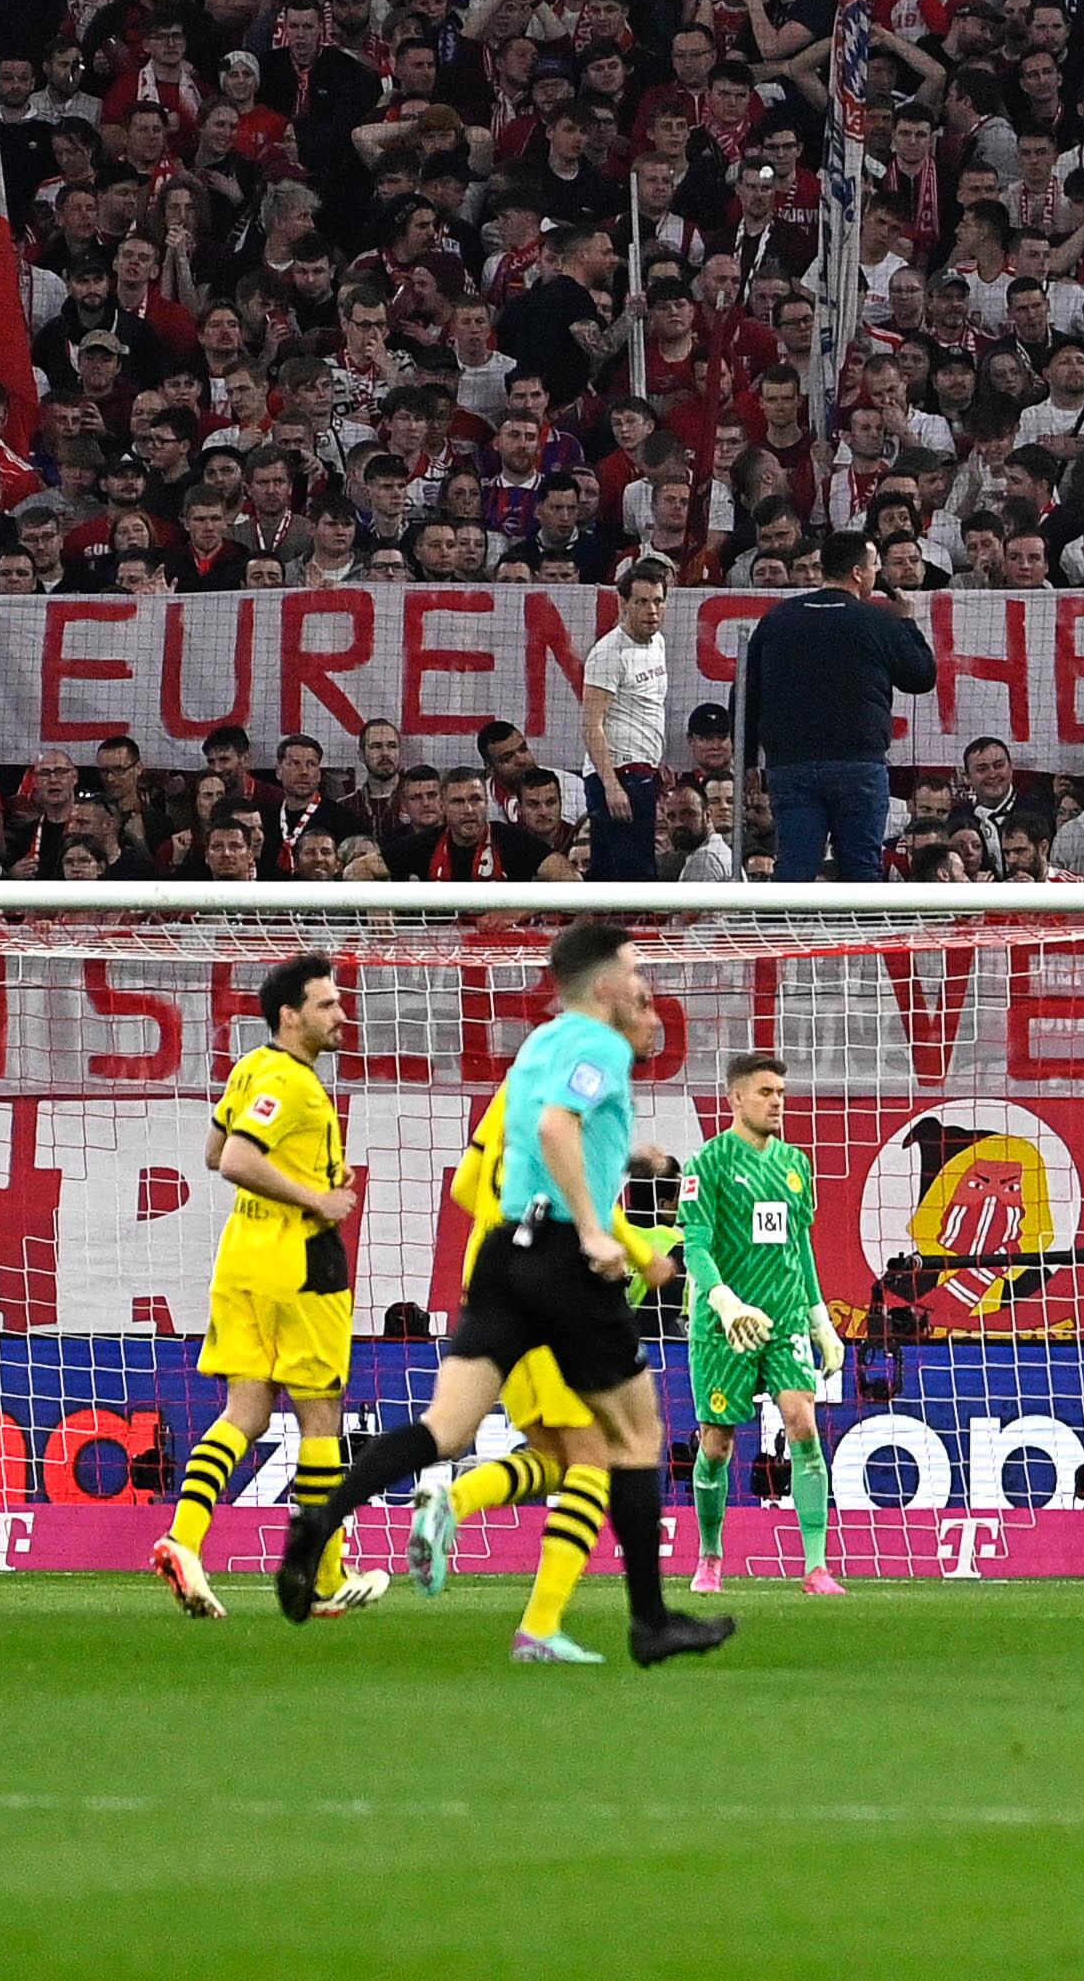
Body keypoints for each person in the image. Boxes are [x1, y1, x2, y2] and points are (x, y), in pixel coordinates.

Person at [276, 917, 732, 1662]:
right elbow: (557, 1128)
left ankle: (321, 1520)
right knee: (636, 1434)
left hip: (499, 1251)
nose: (644, 981)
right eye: (635, 968)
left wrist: (625, 1155)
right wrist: (595, 1230)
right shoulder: (598, 1044)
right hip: (560, 1254)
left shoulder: (542, 1044)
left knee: (446, 1431)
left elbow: (532, 1133)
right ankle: (650, 1621)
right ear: (607, 983)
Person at [404, 1034, 688, 1642]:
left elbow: (462, 1188)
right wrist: (643, 1254)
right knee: (599, 1460)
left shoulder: (513, 1088)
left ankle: (451, 1502)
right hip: (553, 1286)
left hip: (492, 1287)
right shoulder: (574, 1097)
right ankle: (539, 1626)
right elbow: (568, 1203)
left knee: (557, 1460)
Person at [151, 956, 382, 1621]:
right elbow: (239, 1160)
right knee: (321, 1417)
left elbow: (213, 1148)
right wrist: (317, 1197)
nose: (341, 1016)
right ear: (291, 1015)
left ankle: (183, 1541)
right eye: (327, 1006)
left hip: (243, 1257)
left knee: (245, 1414)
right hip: (299, 1259)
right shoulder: (295, 1086)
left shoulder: (252, 1066)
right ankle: (324, 1573)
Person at [682, 1051, 842, 1596]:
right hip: (724, 1326)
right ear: (736, 1099)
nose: (777, 1102)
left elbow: (800, 1245)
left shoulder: (796, 1165)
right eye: (766, 1093)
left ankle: (816, 1565)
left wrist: (820, 1319)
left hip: (784, 1318)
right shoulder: (707, 1163)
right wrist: (725, 1302)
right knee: (718, 1444)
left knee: (801, 1423)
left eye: (781, 1093)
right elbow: (696, 1245)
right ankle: (709, 1557)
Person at [735, 528, 937, 881]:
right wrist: (907, 621)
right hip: (856, 766)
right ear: (859, 573)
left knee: (795, 867)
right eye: (874, 565)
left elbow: (746, 692)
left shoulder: (777, 619)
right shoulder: (879, 621)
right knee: (861, 869)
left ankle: (786, 935)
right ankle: (858, 938)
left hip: (791, 766)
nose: (877, 575)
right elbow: (921, 676)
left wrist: (749, 759)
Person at [580, 560, 675, 879]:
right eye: (642, 602)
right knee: (636, 874)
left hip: (642, 770)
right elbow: (591, 724)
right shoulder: (608, 654)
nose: (652, 610)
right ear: (623, 604)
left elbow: (646, 709)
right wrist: (611, 786)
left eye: (658, 601)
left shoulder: (658, 643)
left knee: (608, 873)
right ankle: (635, 930)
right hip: (619, 775)